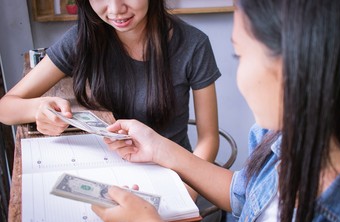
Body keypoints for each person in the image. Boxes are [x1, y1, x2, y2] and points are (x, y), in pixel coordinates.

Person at [96, 0, 340, 222]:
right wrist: (158, 147)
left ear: (302, 66)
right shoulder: (285, 132)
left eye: (239, 55)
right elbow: (245, 194)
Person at [0, 0, 220, 165]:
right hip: (109, 168)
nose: (115, 9)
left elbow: (209, 139)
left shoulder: (194, 45)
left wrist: (186, 193)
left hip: (172, 170)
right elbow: (5, 108)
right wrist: (39, 109)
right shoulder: (82, 39)